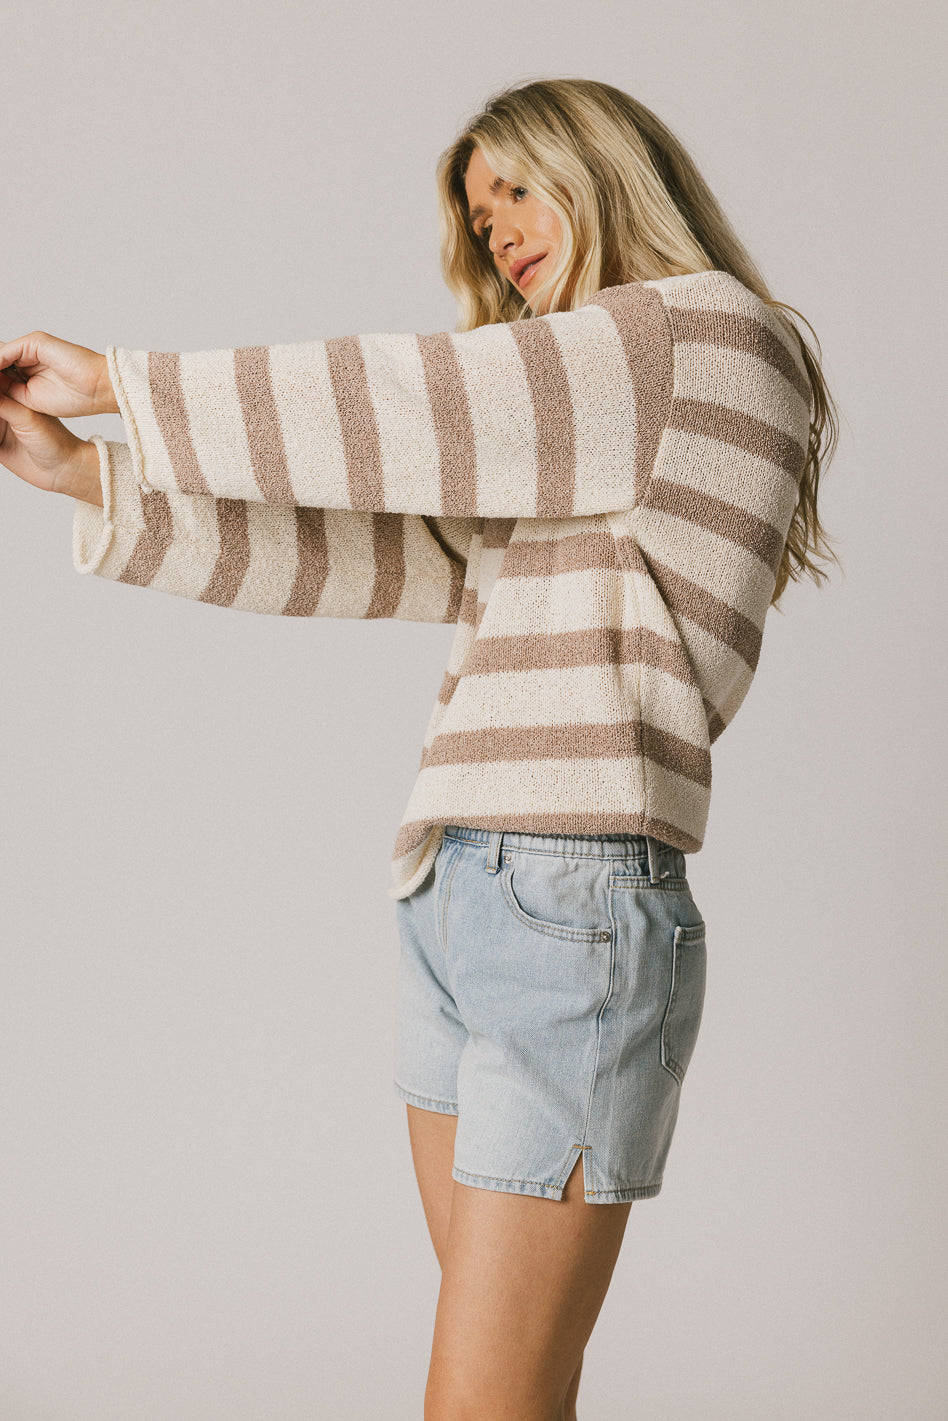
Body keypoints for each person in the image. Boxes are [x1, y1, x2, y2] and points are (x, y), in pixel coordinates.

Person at [0, 77, 838, 1421]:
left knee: (483, 1405)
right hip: (466, 897)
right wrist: (91, 472)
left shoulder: (698, 338)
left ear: (609, 169)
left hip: (571, 900)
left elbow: (412, 399)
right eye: (478, 214)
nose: (497, 230)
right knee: (510, 1398)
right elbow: (380, 547)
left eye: (518, 188)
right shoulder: (587, 424)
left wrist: (122, 386)